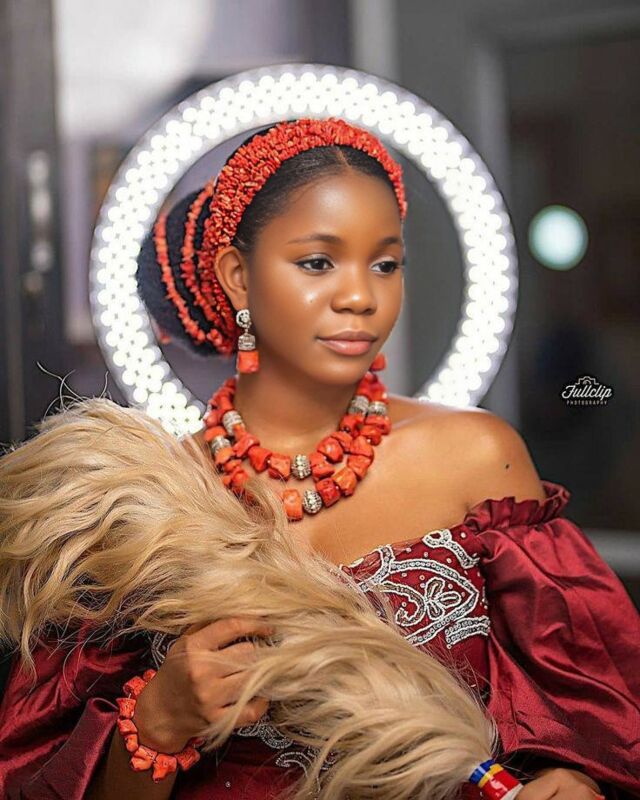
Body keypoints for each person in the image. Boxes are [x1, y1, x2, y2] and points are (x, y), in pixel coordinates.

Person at [0, 116, 638, 799]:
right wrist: (159, 721)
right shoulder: (144, 513)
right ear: (237, 277)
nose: (360, 296)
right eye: (317, 263)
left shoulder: (475, 458)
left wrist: (570, 776)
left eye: (385, 264)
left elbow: (596, 712)